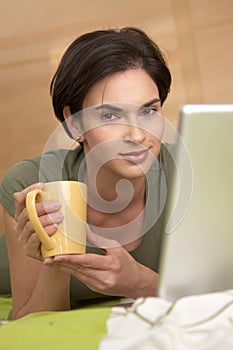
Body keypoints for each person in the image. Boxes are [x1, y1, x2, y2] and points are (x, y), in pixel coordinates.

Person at [0, 27, 174, 320]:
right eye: (110, 115)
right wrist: (54, 258)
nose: (136, 135)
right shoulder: (31, 182)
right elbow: (30, 322)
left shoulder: (190, 173)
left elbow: (217, 293)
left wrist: (138, 282)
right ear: (75, 124)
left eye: (148, 111)